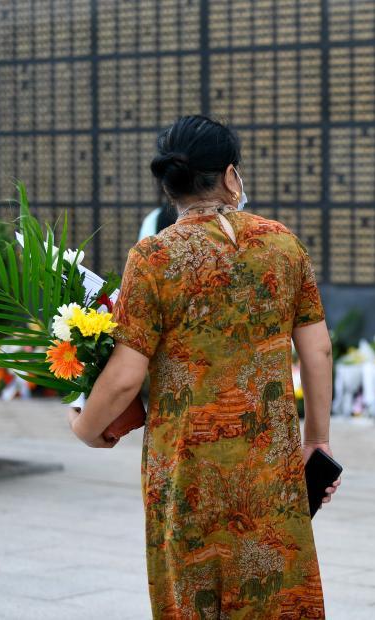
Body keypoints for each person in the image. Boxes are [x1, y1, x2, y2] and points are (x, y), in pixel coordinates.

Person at [67, 115, 338, 619]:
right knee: (275, 593)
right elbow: (317, 350)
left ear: (169, 185)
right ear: (231, 176)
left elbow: (127, 374)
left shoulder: (153, 257)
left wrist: (86, 428)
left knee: (190, 596)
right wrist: (316, 442)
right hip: (270, 463)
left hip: (184, 469)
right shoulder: (281, 243)